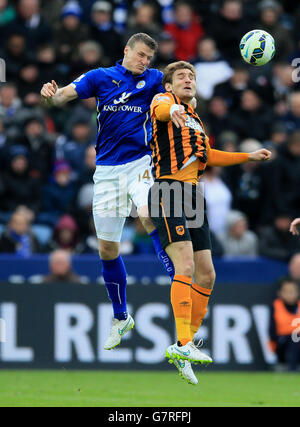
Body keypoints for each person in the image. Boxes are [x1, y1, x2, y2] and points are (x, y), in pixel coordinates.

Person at [40, 32, 176, 352]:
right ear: (126, 50)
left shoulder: (155, 79)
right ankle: (121, 317)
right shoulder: (101, 77)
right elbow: (62, 97)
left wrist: (188, 98)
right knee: (107, 250)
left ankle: (181, 284)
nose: (144, 62)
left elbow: (182, 94)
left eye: (148, 58)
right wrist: (51, 93)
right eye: (140, 55)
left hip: (141, 162)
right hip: (107, 171)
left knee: (148, 214)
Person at [148, 60, 271, 384]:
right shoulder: (165, 102)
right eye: (181, 76)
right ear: (170, 85)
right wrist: (170, 110)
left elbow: (208, 155)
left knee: (207, 273)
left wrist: (249, 156)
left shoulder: (195, 119)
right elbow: (161, 109)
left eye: (192, 76)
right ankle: (185, 343)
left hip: (193, 195)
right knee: (185, 266)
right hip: (169, 189)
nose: (188, 79)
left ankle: (182, 342)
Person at [269, 277, 300, 372]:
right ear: (280, 293)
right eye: (286, 292)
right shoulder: (276, 306)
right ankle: (292, 368)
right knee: (293, 338)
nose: (289, 295)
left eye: (292, 292)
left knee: (296, 337)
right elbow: (271, 331)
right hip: (282, 345)